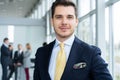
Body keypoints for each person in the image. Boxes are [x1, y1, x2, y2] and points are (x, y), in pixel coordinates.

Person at [34, 0, 113, 80]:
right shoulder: (41, 53)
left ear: (76, 21)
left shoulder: (90, 53)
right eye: (59, 17)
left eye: (69, 17)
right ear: (52, 21)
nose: (64, 22)